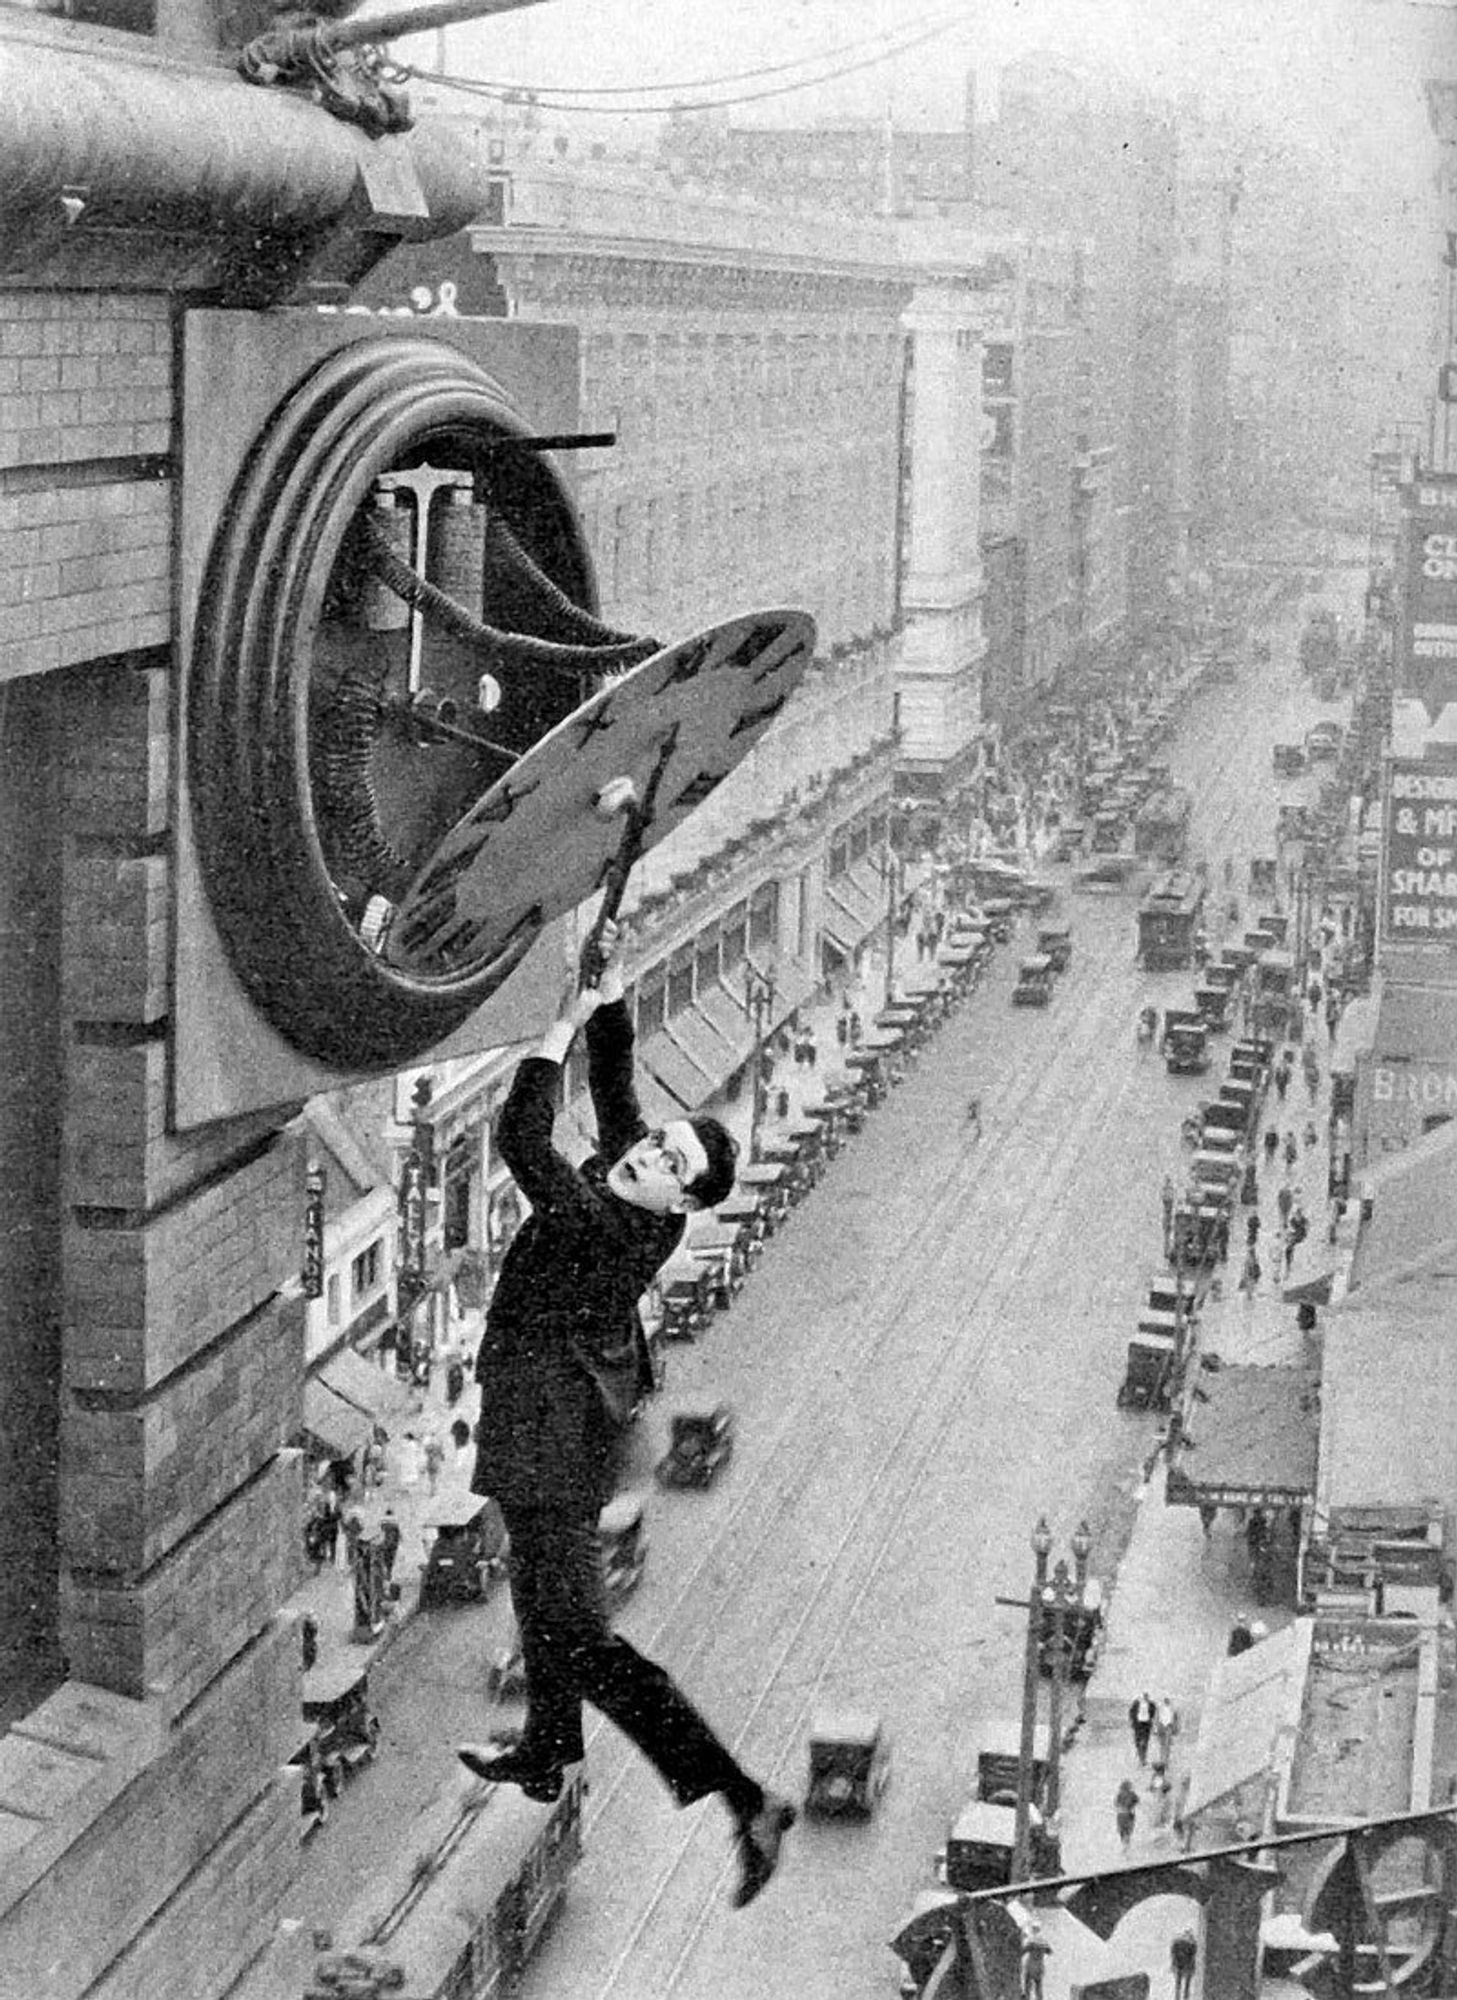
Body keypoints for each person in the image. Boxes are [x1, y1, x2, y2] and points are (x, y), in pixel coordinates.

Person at [455, 921, 795, 1910]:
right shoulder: (638, 1179)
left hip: (554, 1426)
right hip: (557, 1404)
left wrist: (553, 1023)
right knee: (542, 1592)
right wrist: (603, 987)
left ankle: (742, 1796)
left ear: (681, 1196)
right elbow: (615, 1087)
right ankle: (549, 1742)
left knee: (582, 1636)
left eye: (664, 1154)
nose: (645, 1146)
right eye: (657, 1139)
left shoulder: (612, 1219)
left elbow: (518, 1136)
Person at [1020, 1919, 1052, 1999]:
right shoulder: (1044, 1941)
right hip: (1040, 1966)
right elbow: (1050, 1951)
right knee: (1038, 1987)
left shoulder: (1031, 1940)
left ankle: (1026, 1996)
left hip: (1030, 1965)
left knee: (1027, 1984)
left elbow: (1023, 1951)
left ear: (1033, 1930)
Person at [1129, 1692, 1156, 1765]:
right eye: (1144, 1696)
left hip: (1146, 1725)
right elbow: (1131, 1713)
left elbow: (1153, 1715)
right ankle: (1141, 1758)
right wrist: (1132, 1722)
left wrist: (1152, 1723)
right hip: (1138, 1725)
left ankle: (1143, 1759)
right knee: (1138, 1742)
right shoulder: (1136, 1703)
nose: (1145, 1697)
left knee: (1145, 1742)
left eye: (1146, 1696)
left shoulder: (1151, 1704)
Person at [1171, 1927, 1198, 2000]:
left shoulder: (1177, 1942)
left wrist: (1174, 1963)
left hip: (1180, 1964)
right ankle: (1184, 1997)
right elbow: (1193, 1955)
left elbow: (1173, 1952)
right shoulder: (1192, 1943)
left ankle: (1179, 1996)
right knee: (1186, 1984)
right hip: (1185, 1965)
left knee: (1179, 1983)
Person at [1115, 1777, 1139, 1850]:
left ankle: (1124, 1846)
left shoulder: (1119, 1794)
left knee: (1122, 1832)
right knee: (1128, 1832)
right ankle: (1127, 1846)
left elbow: (1116, 1804)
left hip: (1120, 1815)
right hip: (1129, 1814)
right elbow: (1137, 1801)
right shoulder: (1132, 1794)